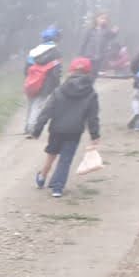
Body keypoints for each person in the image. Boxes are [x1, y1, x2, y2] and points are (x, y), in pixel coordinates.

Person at [33, 56, 101, 198]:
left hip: (56, 129)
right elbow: (92, 117)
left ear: (70, 71)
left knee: (51, 154)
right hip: (74, 132)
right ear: (89, 72)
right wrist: (94, 135)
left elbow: (47, 110)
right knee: (66, 159)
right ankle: (57, 188)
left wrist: (37, 129)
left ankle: (42, 177)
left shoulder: (59, 90)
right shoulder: (91, 93)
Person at [24, 25, 62, 137]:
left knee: (31, 104)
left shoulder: (33, 51)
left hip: (31, 82)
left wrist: (30, 79)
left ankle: (27, 126)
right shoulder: (56, 52)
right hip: (46, 83)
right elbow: (56, 72)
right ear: (56, 39)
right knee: (38, 105)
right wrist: (57, 85)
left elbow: (26, 69)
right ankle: (32, 128)